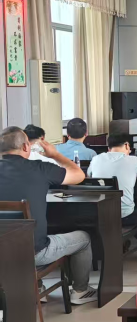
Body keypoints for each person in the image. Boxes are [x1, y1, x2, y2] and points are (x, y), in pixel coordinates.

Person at [0, 126, 97, 305]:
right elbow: (78, 175)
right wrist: (55, 155)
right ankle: (80, 291)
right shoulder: (40, 168)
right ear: (26, 147)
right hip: (33, 253)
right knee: (83, 238)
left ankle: (37, 287)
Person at [88, 134, 137, 251]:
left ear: (109, 148)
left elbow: (89, 175)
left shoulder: (96, 159)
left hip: (100, 213)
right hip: (124, 216)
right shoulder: (134, 160)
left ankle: (122, 243)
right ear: (127, 145)